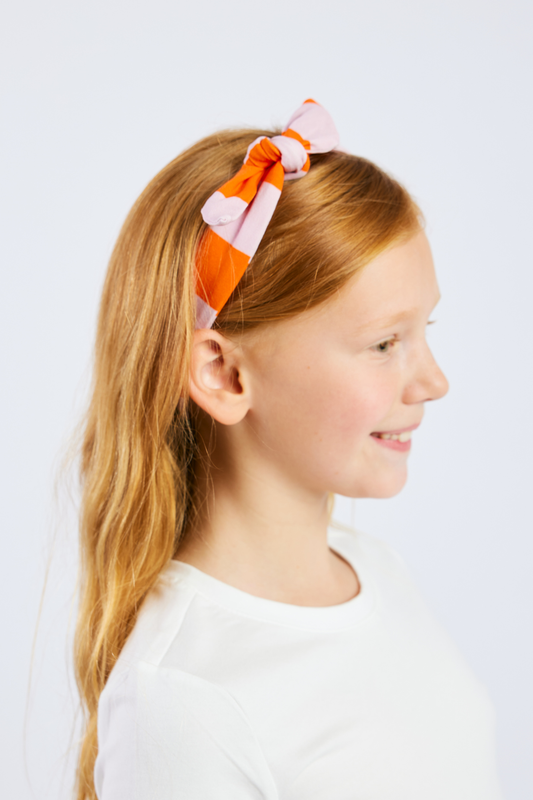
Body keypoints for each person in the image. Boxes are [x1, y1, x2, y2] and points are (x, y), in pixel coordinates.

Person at [73, 100, 503, 799]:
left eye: (425, 330)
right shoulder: (183, 699)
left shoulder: (374, 571)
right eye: (384, 343)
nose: (434, 381)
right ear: (224, 374)